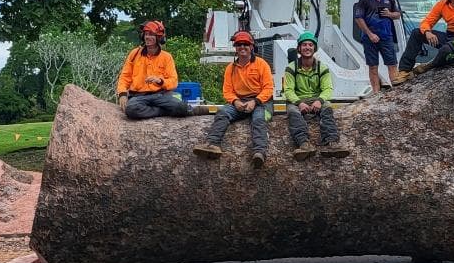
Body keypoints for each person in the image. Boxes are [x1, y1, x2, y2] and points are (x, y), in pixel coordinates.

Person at [193, 30, 274, 168]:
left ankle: (259, 152)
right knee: (223, 113)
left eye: (245, 44)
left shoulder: (261, 64)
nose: (242, 47)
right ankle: (212, 144)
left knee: (259, 119)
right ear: (235, 47)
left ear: (251, 47)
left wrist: (255, 102)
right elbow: (227, 91)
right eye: (239, 44)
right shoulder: (231, 68)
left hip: (261, 101)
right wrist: (236, 102)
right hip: (239, 101)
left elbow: (268, 88)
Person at [282, 31, 349, 159]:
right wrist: (299, 103)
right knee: (292, 112)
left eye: (310, 45)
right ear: (299, 49)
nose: (307, 47)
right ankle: (304, 144)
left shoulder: (322, 68)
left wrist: (320, 100)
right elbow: (288, 90)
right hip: (298, 100)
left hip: (316, 99)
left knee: (327, 109)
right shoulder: (291, 68)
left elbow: (328, 88)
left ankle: (332, 143)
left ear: (315, 48)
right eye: (304, 45)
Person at [116, 20, 191, 120]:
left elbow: (173, 81)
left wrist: (160, 81)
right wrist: (122, 94)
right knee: (131, 109)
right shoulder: (134, 54)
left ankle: (154, 110)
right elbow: (125, 76)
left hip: (161, 95)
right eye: (146, 34)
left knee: (182, 107)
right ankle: (163, 111)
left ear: (159, 37)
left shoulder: (166, 57)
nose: (147, 37)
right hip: (138, 97)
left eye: (151, 34)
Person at [353, 0, 402, 93]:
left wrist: (390, 14)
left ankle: (396, 92)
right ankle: (376, 94)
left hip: (387, 37)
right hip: (369, 38)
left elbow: (398, 14)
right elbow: (358, 18)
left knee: (392, 64)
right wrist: (370, 34)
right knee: (373, 66)